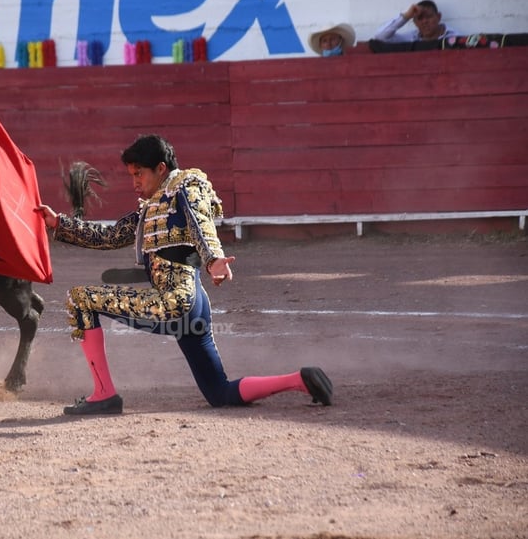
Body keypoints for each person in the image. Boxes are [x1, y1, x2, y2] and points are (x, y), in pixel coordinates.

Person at [34, 134, 333, 415]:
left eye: (140, 174)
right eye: (132, 175)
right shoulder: (152, 205)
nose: (135, 182)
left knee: (80, 299)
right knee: (218, 393)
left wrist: (214, 259)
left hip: (174, 302)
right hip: (192, 306)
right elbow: (111, 236)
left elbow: (200, 223)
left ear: (161, 168)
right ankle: (299, 381)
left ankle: (103, 394)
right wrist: (58, 223)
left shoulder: (185, 188)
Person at [373, 0, 458, 43]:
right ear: (414, 22)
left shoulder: (454, 37)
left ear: (438, 17)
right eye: (420, 18)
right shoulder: (411, 38)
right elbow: (380, 37)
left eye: (429, 16)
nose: (424, 21)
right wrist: (406, 16)